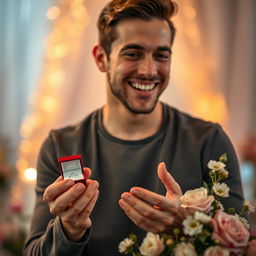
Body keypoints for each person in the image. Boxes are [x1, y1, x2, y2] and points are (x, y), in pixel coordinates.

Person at [23, 0, 245, 255]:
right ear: (101, 58)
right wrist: (69, 230)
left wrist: (186, 230)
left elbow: (243, 245)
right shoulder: (60, 145)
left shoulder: (208, 141)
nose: (149, 70)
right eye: (133, 53)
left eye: (161, 55)